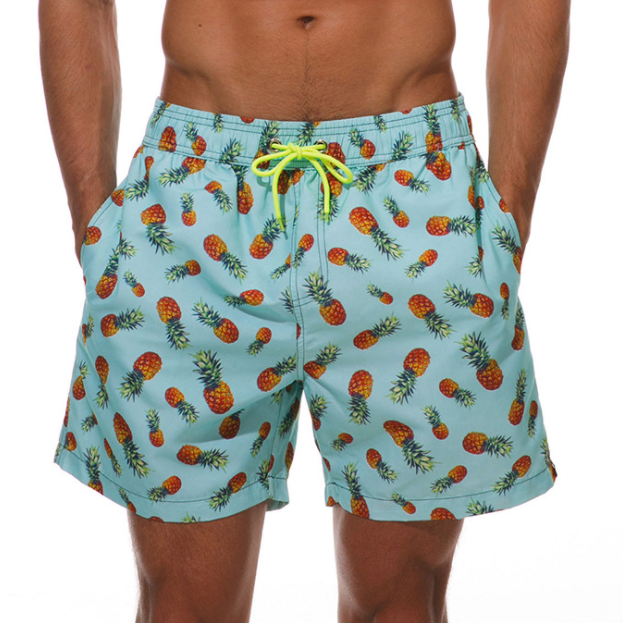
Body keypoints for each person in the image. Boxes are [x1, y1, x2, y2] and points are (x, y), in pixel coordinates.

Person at [40, 1, 569, 621]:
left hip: (413, 194)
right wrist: (93, 222)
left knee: (402, 602)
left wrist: (510, 215)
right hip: (193, 204)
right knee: (183, 606)